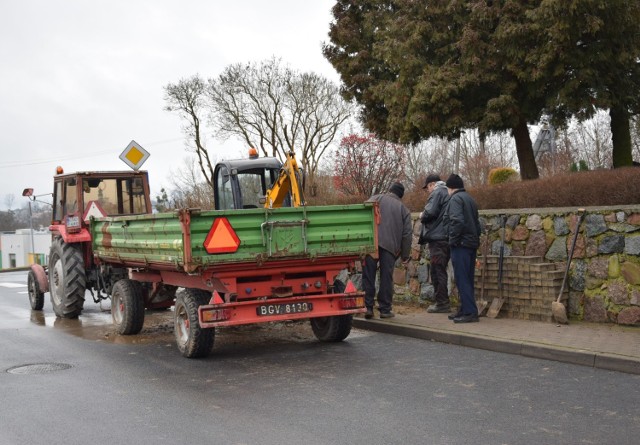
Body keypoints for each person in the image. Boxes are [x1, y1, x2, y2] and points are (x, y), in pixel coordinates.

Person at [363, 182, 412, 319]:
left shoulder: (375, 199)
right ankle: (385, 310)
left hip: (371, 244)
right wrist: (405, 255)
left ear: (389, 190)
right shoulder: (403, 209)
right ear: (400, 195)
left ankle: (368, 307)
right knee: (386, 277)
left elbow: (362, 212)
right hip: (390, 247)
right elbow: (407, 235)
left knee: (368, 275)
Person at [443, 174, 481, 323]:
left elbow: (457, 221)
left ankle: (470, 312)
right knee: (468, 278)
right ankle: (465, 308)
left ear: (450, 188)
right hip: (471, 243)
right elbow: (477, 224)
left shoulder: (455, 199)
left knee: (461, 278)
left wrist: (452, 240)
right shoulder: (469, 199)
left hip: (461, 245)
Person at [418, 174, 451, 313]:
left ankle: (442, 303)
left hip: (438, 238)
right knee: (441, 269)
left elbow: (429, 212)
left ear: (432, 184)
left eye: (428, 188)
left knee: (438, 271)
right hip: (446, 237)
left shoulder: (437, 192)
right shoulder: (448, 193)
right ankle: (442, 301)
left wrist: (421, 215)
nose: (428, 191)